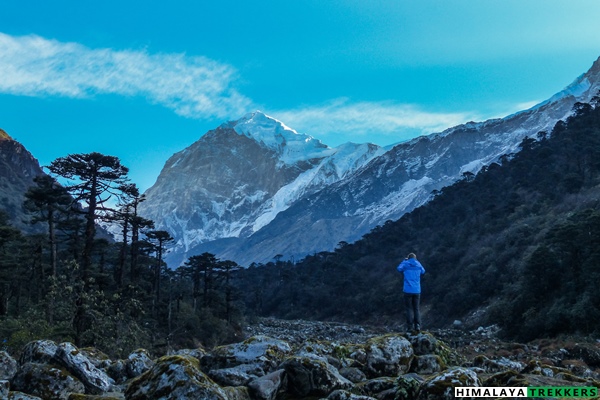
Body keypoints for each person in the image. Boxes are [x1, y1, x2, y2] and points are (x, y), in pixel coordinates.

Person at [397, 253, 425, 332]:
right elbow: (423, 271)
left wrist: (404, 261)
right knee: (416, 308)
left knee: (409, 309)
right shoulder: (418, 264)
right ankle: (418, 326)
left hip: (407, 290)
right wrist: (417, 262)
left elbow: (399, 268)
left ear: (408, 258)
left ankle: (409, 327)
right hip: (417, 290)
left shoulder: (405, 264)